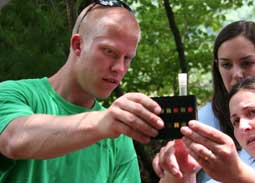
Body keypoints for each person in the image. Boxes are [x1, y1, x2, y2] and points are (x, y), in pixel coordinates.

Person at [0, 1, 164, 182]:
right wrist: (105, 123)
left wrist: (176, 177)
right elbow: (14, 140)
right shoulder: (13, 94)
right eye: (109, 51)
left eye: (128, 58)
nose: (119, 68)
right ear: (78, 45)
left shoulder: (118, 136)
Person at [153, 20, 255, 183]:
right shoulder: (200, 123)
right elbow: (180, 172)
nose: (237, 74)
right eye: (226, 65)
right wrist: (176, 172)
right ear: (217, 67)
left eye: (247, 63)